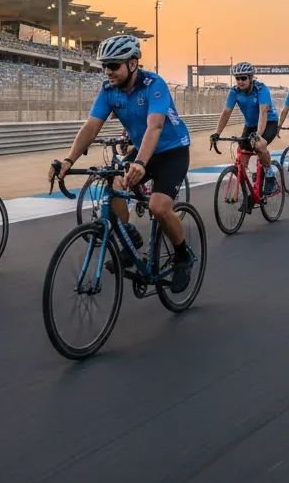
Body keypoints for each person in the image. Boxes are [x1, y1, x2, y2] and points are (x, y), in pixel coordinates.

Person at [57, 35, 195, 293]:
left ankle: (182, 255)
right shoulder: (109, 90)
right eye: (105, 66)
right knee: (114, 183)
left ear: (133, 64)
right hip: (143, 149)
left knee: (158, 206)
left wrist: (141, 163)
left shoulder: (154, 84)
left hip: (171, 151)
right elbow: (91, 126)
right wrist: (68, 159)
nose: (108, 71)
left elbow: (155, 126)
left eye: (113, 65)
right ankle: (129, 239)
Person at [211, 62, 281, 194]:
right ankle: (249, 192)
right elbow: (226, 112)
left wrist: (258, 134)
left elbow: (263, 112)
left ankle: (270, 175)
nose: (240, 81)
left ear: (250, 77)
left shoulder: (261, 89)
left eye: (243, 78)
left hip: (269, 121)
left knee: (259, 145)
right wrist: (217, 133)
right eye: (237, 78)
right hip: (250, 124)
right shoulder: (234, 91)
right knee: (241, 161)